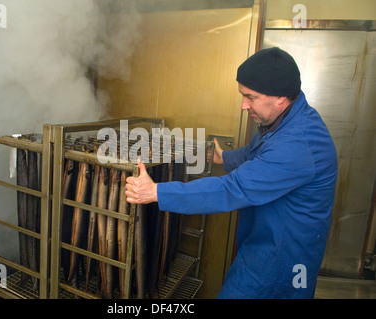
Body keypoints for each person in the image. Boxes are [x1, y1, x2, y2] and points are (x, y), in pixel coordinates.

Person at [125, 47, 337, 299]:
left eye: (251, 97)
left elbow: (232, 189)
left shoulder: (298, 145)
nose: (243, 105)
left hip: (281, 261)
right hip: (265, 243)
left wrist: (156, 191)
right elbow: (257, 151)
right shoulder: (287, 118)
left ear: (280, 97)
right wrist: (224, 157)